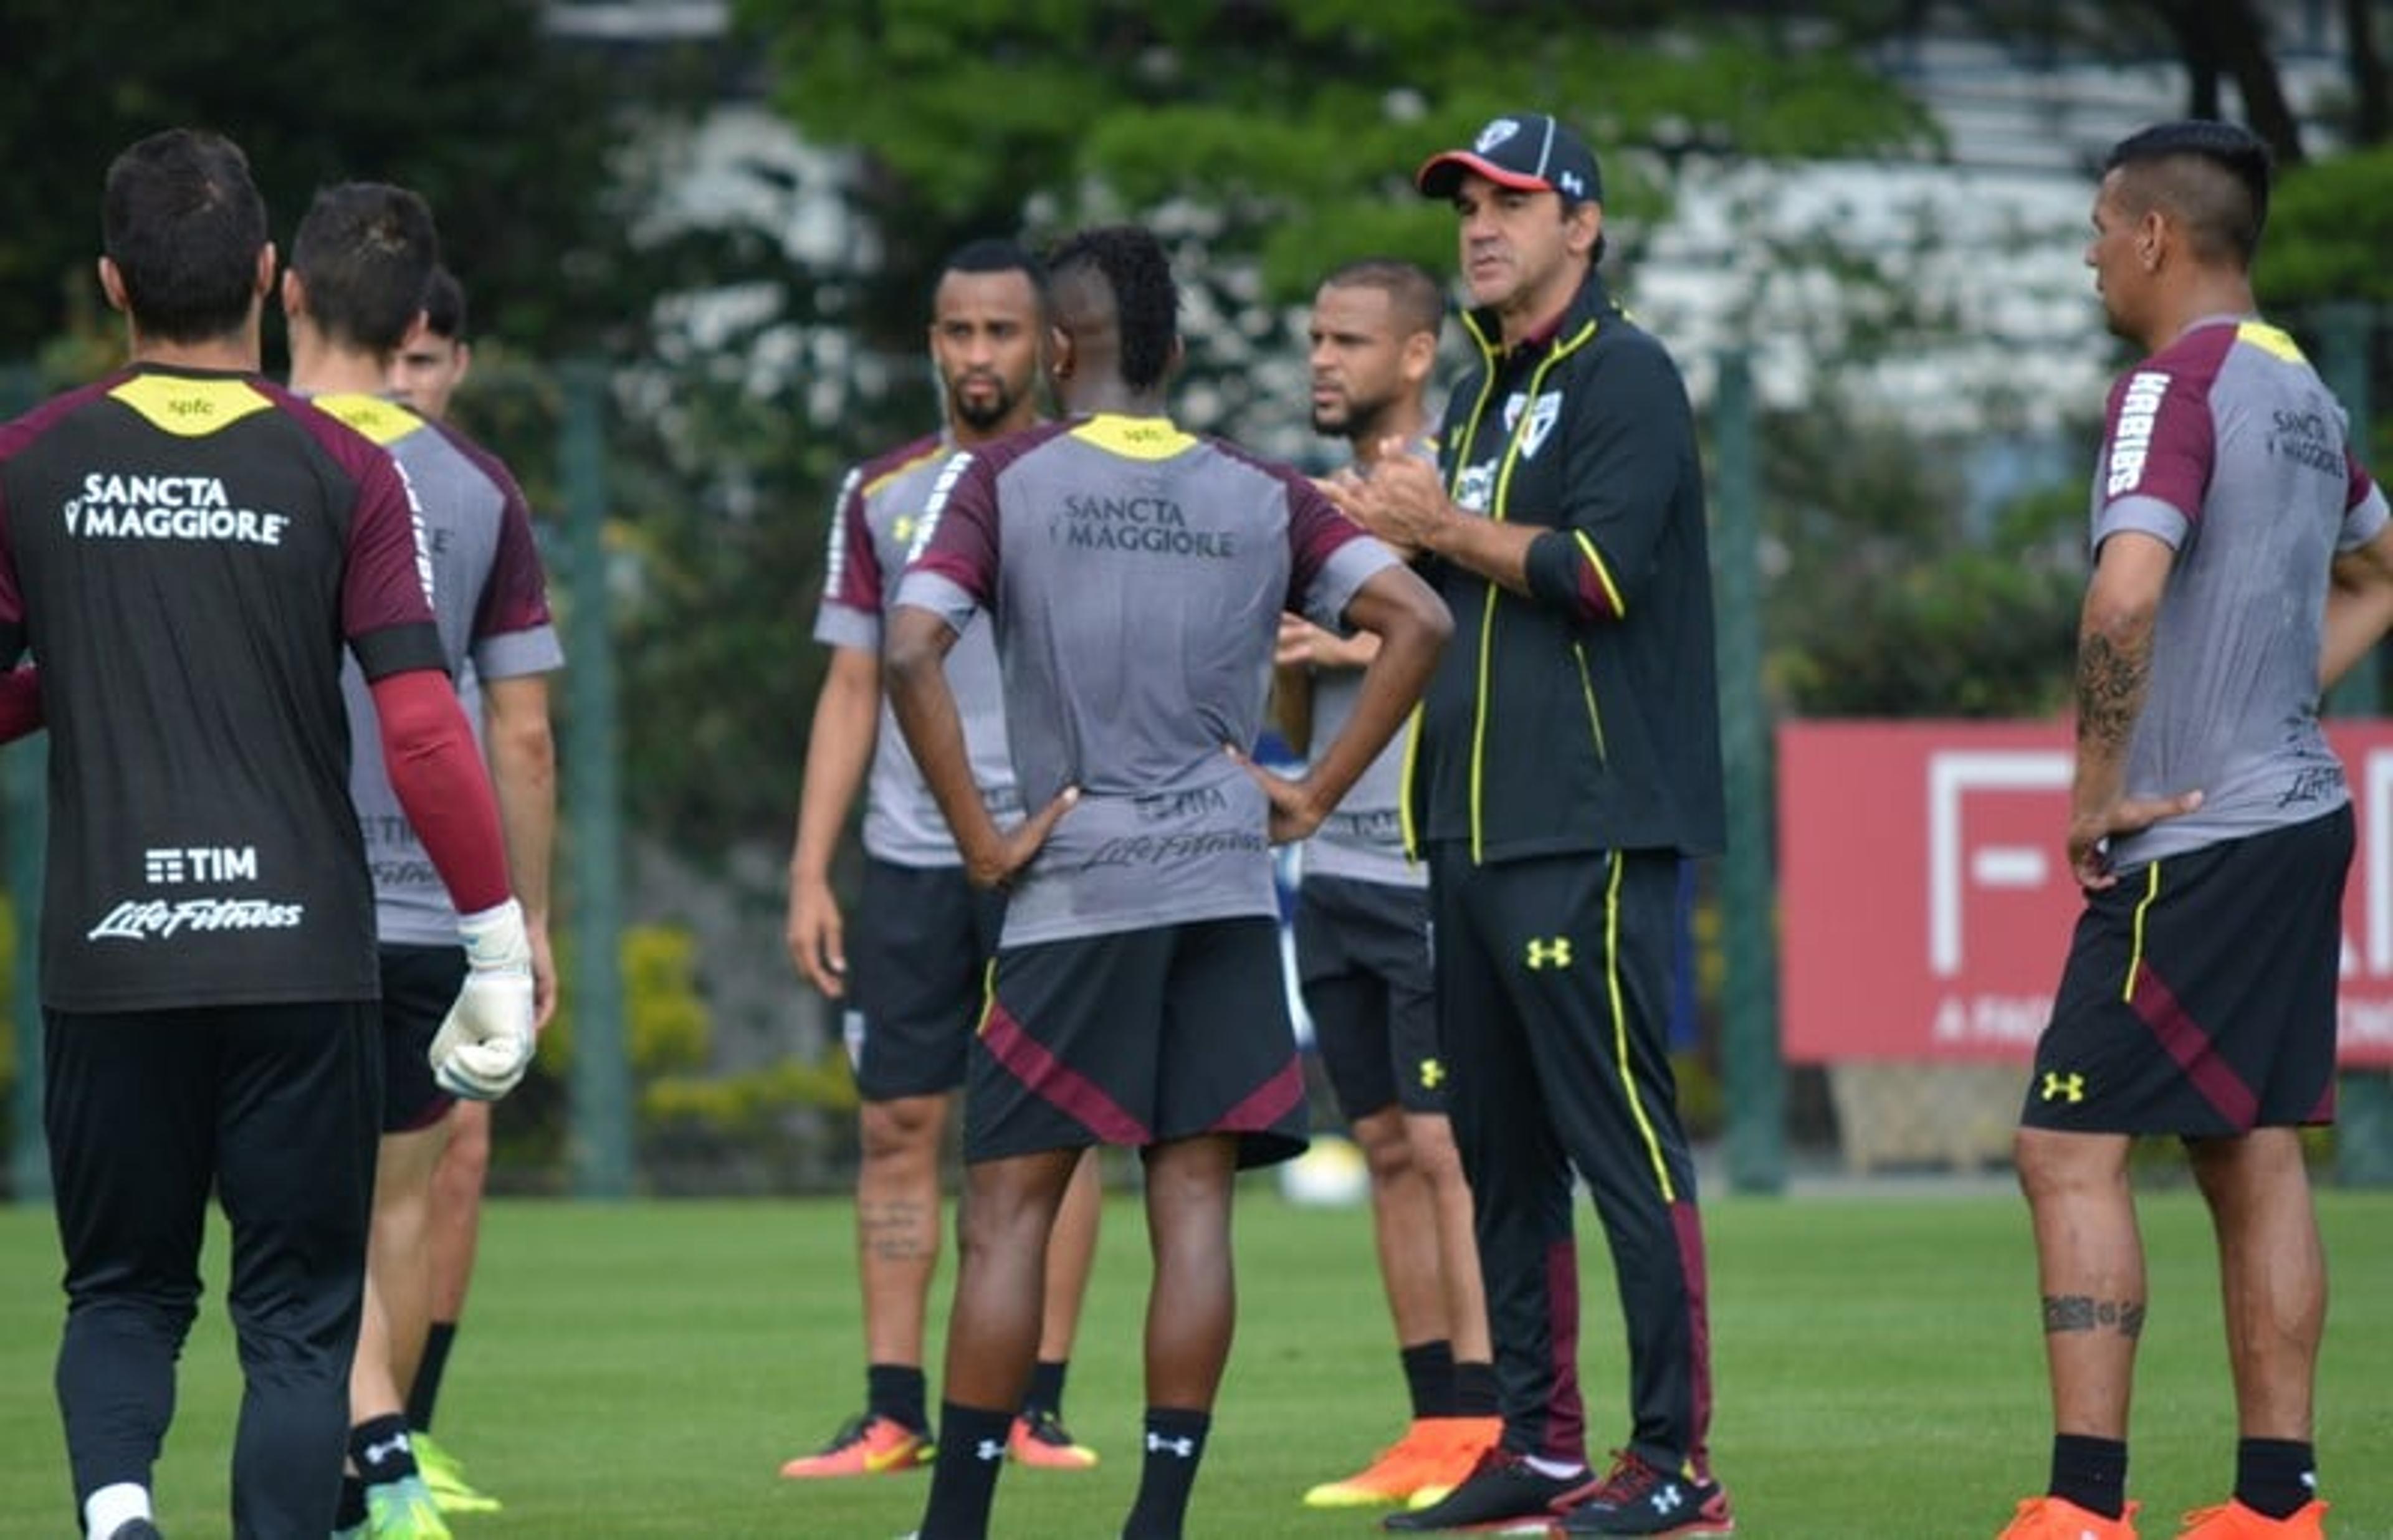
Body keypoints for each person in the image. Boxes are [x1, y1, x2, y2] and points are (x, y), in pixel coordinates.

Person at [0, 128, 535, 1540]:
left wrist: (76, 669)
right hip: (304, 958)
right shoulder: (348, 472)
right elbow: (426, 729)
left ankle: (119, 1513)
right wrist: (497, 943)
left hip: (114, 954)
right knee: (299, 1321)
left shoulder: (28, 461)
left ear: (113, 283)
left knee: (122, 1291)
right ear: (262, 274)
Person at [885, 224, 1450, 1540]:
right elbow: (1416, 619)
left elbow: (913, 652)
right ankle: (1160, 1521)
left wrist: (982, 839)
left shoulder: (1001, 479)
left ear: (1059, 348)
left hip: (1072, 889)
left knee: (1012, 1210)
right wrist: (1303, 792)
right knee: (1192, 1205)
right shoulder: (1263, 488)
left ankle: (957, 1524)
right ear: (1177, 353)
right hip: (1222, 886)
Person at [1331, 113, 1731, 1538]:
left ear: (1585, 223)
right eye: (1466, 205)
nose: (1480, 224)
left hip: (1588, 826)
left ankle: (1678, 1465)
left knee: (1622, 1148)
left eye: (1512, 200)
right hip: (1468, 833)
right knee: (1498, 1154)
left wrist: (1435, 531)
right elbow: (1463, 597)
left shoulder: (1624, 372)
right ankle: (1541, 1447)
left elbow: (1602, 574)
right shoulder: (1492, 396)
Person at [1998, 119, 2391, 1540]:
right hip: (2299, 817)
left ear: (2157, 236)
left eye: (2101, 228)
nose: (2093, 255)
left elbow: (2122, 597)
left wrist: (2096, 787)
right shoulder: (2305, 394)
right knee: (2251, 1145)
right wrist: (2283, 702)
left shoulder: (2170, 387)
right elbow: (2383, 571)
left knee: (2066, 1147)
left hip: (2196, 840)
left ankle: (2083, 1507)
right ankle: (2276, 1506)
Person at [780, 238, 1104, 1479]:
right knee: (899, 1123)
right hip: (913, 858)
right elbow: (853, 681)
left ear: (1050, 348)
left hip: (1057, 856)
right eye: (957, 332)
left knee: (1055, 1134)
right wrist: (812, 870)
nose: (978, 355)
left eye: (1002, 333)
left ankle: (1038, 1403)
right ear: (933, 343)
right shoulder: (882, 492)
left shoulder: (1083, 483)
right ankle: (892, 1408)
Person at [282, 186, 563, 1539]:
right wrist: (530, 920)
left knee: (281, 1224)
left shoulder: (255, 457)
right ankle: (366, 1471)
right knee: (396, 1200)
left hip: (268, 897)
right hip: (427, 904)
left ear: (286, 293)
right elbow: (524, 733)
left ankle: (374, 1467)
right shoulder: (478, 487)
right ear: (414, 329)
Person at [1279, 258, 1499, 1515]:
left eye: (1349, 340)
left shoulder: (1452, 485)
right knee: (1378, 1144)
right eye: (1314, 338)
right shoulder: (1309, 503)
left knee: (1443, 1144)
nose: (1323, 361)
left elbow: (1460, 631)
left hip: (1428, 869)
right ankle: (1433, 1422)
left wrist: (1351, 634)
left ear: (1416, 355)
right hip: (1337, 866)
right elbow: (1292, 702)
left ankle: (1494, 1415)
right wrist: (1288, 653)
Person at [383, 264, 515, 1518]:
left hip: (450, 879)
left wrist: (526, 914)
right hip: (335, 875)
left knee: (458, 1150)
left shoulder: (481, 505)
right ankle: (359, 1435)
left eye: (430, 362)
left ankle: (408, 1437)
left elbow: (517, 714)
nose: (409, 382)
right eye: (395, 357)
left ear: (458, 368)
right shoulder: (321, 480)